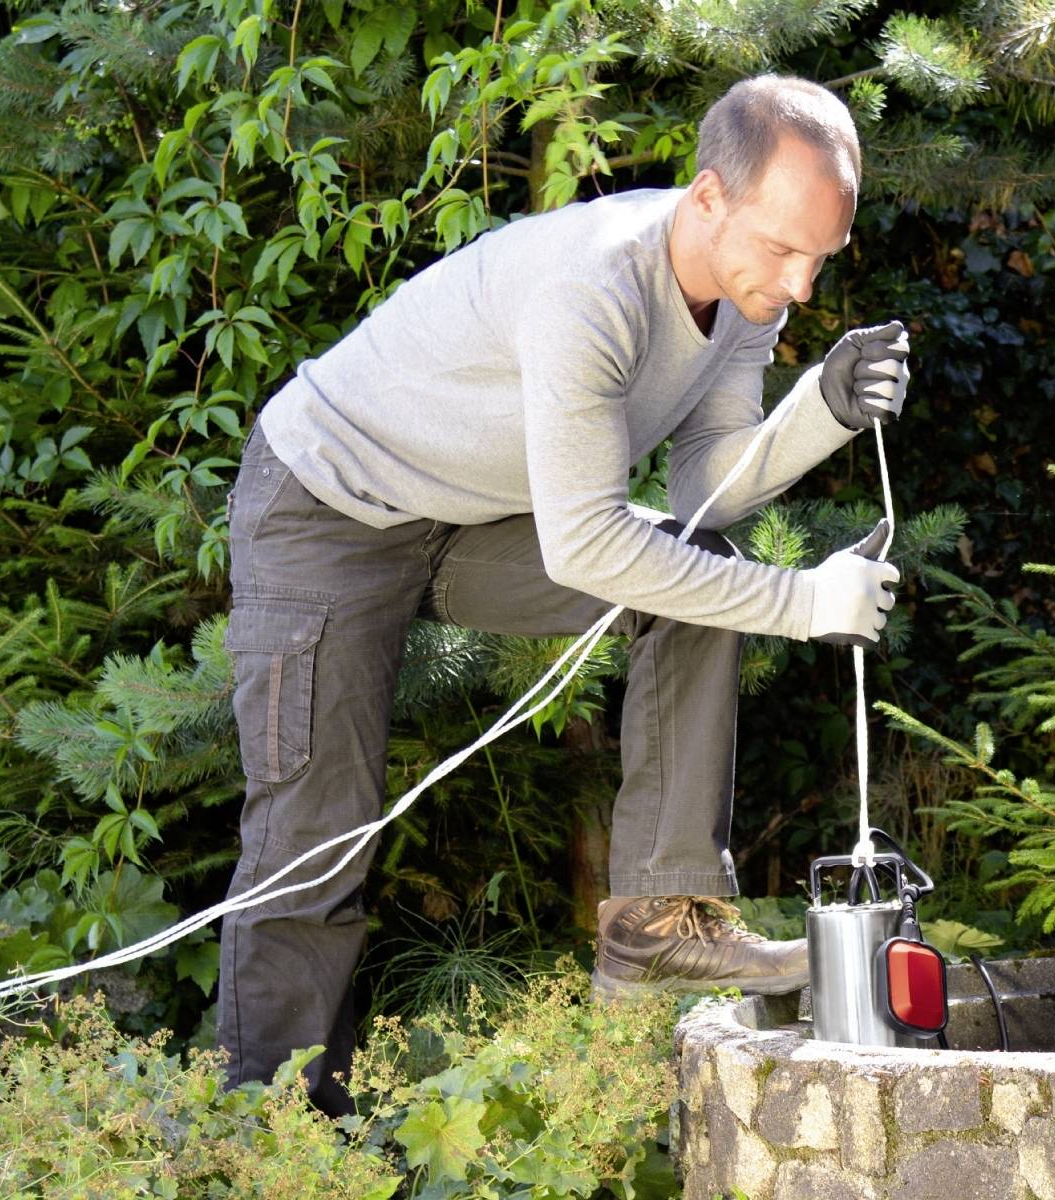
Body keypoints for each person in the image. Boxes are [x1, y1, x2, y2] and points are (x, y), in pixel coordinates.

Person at [218, 73, 912, 1114]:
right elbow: (589, 543)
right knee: (311, 851)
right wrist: (803, 602)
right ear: (709, 196)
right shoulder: (590, 288)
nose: (802, 285)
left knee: (697, 574)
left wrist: (818, 410)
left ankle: (655, 923)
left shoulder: (741, 296)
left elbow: (702, 484)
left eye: (823, 256)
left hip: (474, 518)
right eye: (782, 248)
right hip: (326, 509)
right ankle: (266, 1142)